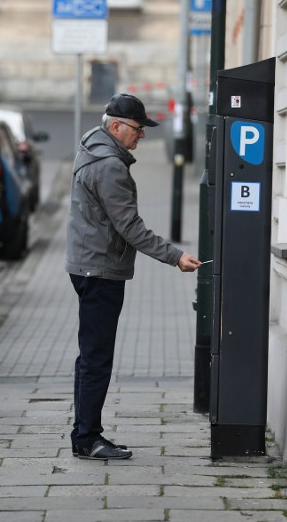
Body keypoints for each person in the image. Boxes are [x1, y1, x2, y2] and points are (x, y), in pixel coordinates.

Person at [65, 93, 202, 460]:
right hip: (100, 270)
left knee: (89, 356)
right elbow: (130, 227)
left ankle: (84, 432)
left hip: (87, 264)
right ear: (116, 127)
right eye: (138, 130)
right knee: (96, 358)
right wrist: (176, 257)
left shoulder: (89, 148)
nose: (141, 136)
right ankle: (88, 438)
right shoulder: (110, 166)